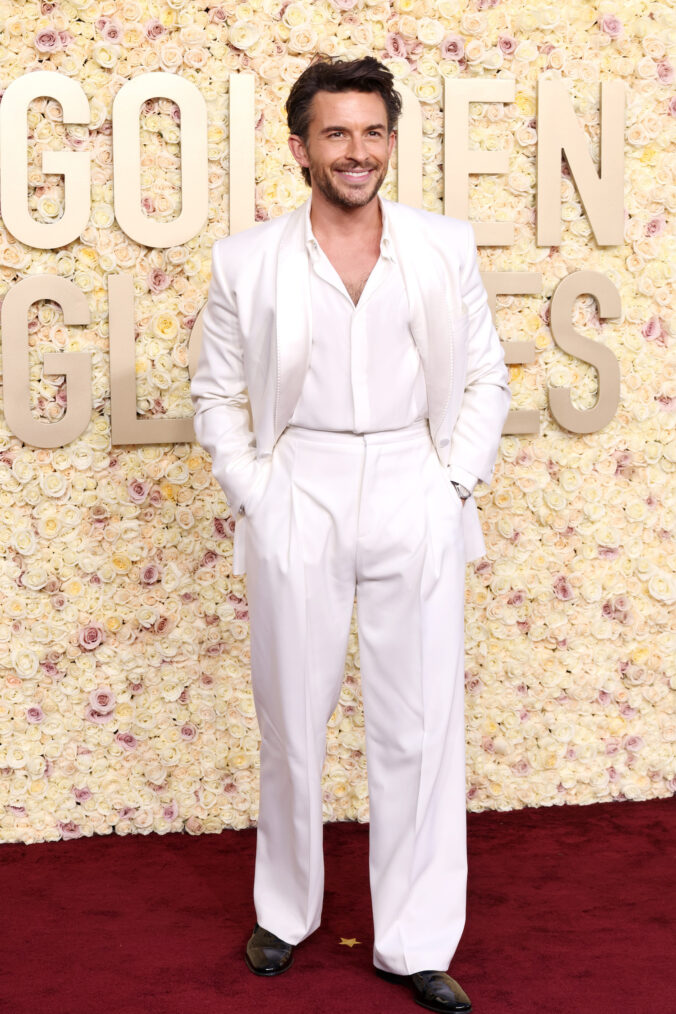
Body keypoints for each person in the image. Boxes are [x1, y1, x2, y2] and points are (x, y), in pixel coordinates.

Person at [191, 56, 511, 1014]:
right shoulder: (244, 262)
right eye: (336, 133)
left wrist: (452, 481)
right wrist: (259, 490)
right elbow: (214, 396)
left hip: (417, 481)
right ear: (301, 148)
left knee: (419, 727)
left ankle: (414, 941)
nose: (357, 151)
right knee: (291, 716)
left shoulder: (443, 247)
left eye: (372, 132)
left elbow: (488, 376)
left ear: (391, 143)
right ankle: (286, 911)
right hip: (303, 487)